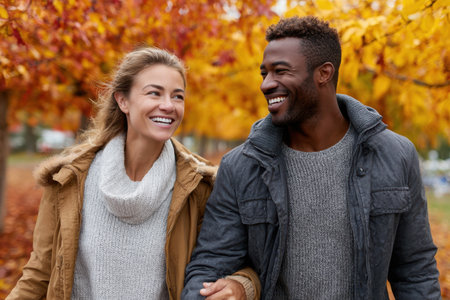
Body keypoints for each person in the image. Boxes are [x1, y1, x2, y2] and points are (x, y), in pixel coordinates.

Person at [182, 16, 441, 299]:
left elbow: (415, 271)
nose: (267, 85)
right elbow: (210, 265)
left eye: (280, 71)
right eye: (264, 74)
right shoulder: (241, 166)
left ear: (324, 73)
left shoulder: (395, 155)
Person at [7, 47, 259, 300]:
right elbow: (38, 275)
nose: (168, 105)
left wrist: (242, 285)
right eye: (154, 93)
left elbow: (237, 263)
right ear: (123, 100)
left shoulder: (200, 188)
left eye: (178, 96)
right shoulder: (69, 179)